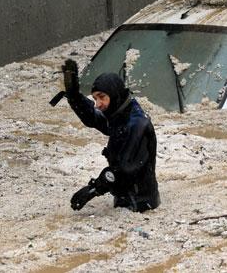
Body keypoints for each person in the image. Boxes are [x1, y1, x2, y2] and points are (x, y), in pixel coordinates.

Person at [60, 59, 160, 212]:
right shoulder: (120, 113)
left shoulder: (136, 123)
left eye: (101, 97)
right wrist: (74, 96)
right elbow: (94, 118)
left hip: (140, 204)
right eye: (95, 98)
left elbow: (122, 171)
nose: (98, 103)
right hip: (126, 200)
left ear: (114, 95)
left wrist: (92, 190)